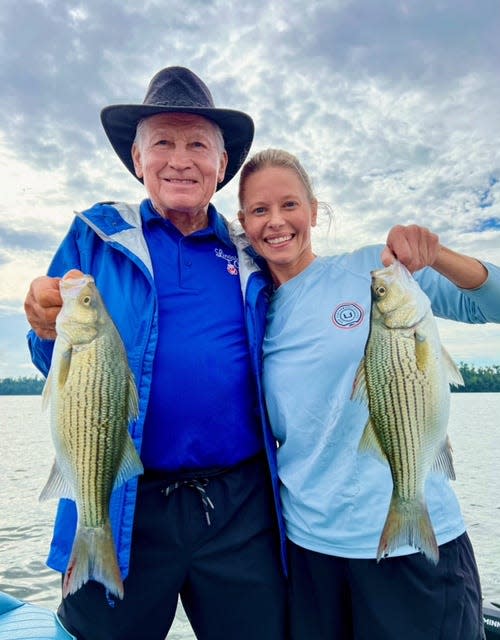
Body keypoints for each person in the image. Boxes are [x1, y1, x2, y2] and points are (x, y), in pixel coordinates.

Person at [24, 68, 288, 640]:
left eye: (198, 145)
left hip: (239, 507)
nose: (180, 160)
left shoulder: (254, 255)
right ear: (138, 160)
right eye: (163, 143)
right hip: (119, 497)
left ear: (222, 167)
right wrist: (42, 323)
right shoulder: (95, 237)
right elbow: (51, 362)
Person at [235, 148, 500, 640]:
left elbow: (493, 303)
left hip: (416, 547)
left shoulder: (374, 271)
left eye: (290, 205)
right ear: (244, 223)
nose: (276, 222)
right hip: (310, 549)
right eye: (259, 210)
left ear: (314, 211)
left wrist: (433, 253)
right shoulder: (253, 313)